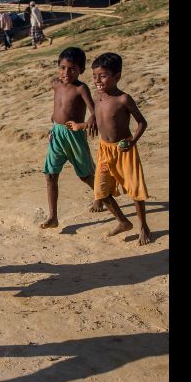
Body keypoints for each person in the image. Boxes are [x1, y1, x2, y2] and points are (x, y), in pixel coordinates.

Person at [66, 52, 151, 245]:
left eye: (103, 75)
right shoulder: (97, 97)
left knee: (134, 190)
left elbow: (142, 123)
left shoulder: (124, 99)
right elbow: (96, 118)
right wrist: (82, 125)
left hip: (125, 151)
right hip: (104, 150)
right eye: (95, 76)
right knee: (101, 190)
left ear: (117, 76)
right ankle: (123, 221)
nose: (97, 80)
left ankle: (143, 226)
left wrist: (132, 142)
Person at [40, 47, 103, 229]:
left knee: (85, 175)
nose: (66, 72)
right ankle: (53, 217)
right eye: (62, 68)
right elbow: (58, 103)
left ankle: (100, 196)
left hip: (74, 135)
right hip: (57, 134)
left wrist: (91, 118)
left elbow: (94, 111)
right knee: (50, 174)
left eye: (72, 69)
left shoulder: (80, 88)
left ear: (81, 70)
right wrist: (54, 116)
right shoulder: (55, 84)